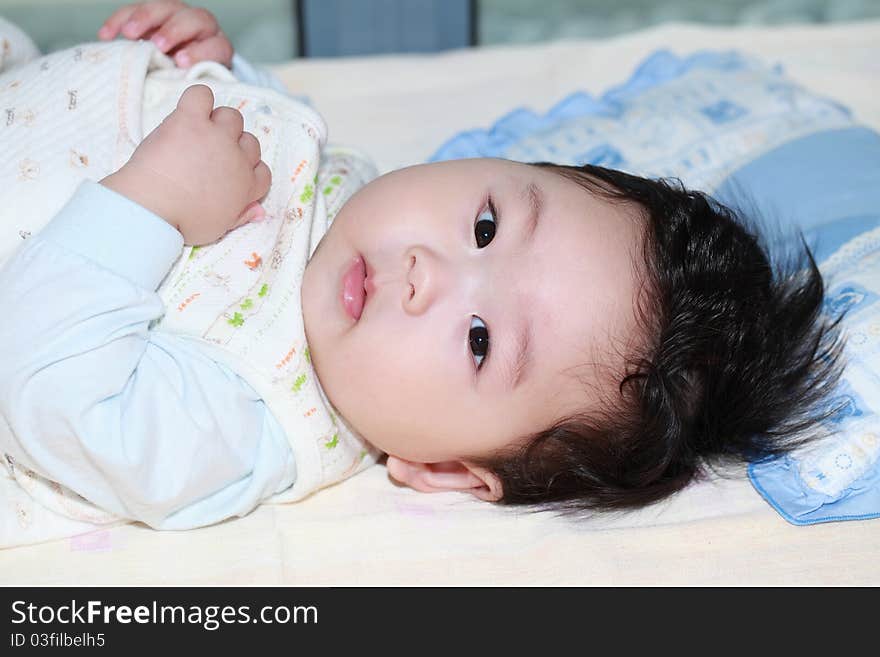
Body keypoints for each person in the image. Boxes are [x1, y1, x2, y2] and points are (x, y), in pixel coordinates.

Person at [0, 1, 854, 532]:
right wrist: (205, 68)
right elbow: (272, 133)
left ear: (443, 467)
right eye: (485, 222)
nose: (426, 273)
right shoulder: (353, 199)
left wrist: (149, 201)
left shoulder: (245, 419)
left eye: (480, 340)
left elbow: (49, 385)